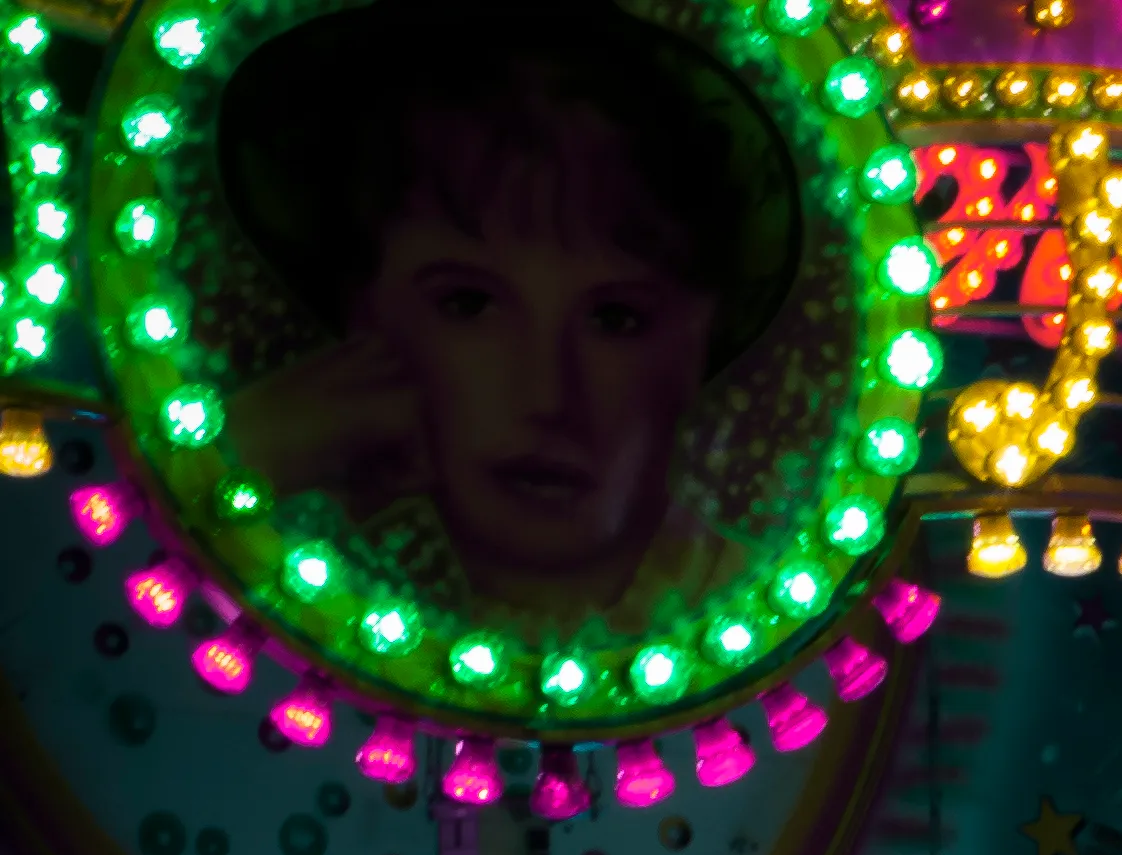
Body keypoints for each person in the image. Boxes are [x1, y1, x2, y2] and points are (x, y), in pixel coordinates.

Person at [217, 0, 800, 624]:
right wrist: (232, 466)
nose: (547, 394)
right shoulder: (285, 584)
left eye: (615, 318)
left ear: (695, 341)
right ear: (364, 318)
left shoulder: (775, 623)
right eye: (469, 305)